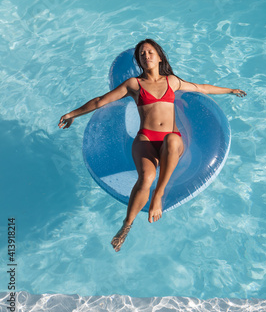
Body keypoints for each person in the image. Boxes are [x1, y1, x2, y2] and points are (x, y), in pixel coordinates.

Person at [59, 38, 246, 252]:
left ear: (159, 57)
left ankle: (158, 193)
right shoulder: (134, 85)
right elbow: (101, 100)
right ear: (139, 61)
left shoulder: (172, 82)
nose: (146, 56)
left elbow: (201, 88)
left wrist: (230, 90)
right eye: (142, 54)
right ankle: (125, 226)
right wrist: (72, 114)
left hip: (170, 140)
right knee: (145, 177)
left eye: (149, 52)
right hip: (145, 139)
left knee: (172, 139)